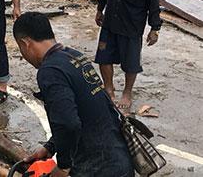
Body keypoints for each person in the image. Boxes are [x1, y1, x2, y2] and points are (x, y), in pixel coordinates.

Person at [13, 12, 134, 177]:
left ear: (25, 43)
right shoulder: (75, 56)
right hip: (119, 159)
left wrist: (63, 166)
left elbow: (68, 123)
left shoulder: (50, 71)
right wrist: (50, 147)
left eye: (20, 49)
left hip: (97, 168)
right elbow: (88, 111)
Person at [95, 0, 161, 113]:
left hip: (132, 24)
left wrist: (154, 28)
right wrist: (100, 10)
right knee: (104, 56)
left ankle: (127, 92)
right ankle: (108, 88)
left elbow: (153, 1)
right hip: (111, 21)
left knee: (131, 62)